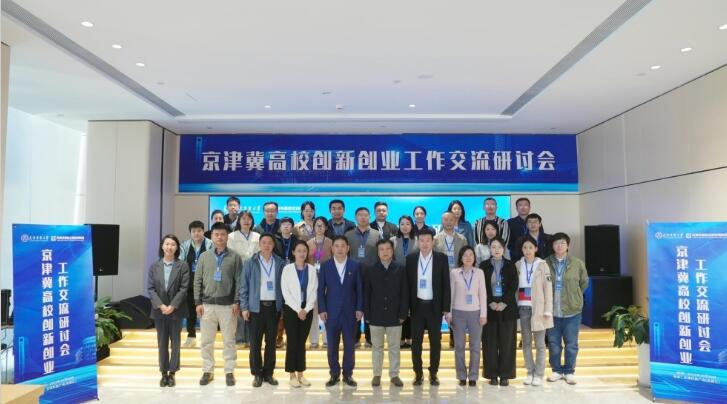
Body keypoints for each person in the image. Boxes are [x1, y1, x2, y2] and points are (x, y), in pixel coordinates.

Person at [194, 222, 242, 386]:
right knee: (206, 341)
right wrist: (197, 302)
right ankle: (208, 370)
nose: (220, 237)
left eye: (223, 234)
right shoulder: (204, 256)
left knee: (229, 340)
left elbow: (239, 282)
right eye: (216, 234)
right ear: (212, 237)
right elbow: (197, 280)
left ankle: (229, 371)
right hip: (207, 306)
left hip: (228, 306)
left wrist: (236, 301)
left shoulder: (235, 257)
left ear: (227, 236)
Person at [406, 228, 451, 386]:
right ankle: (418, 373)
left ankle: (433, 373)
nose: (425, 243)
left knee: (435, 343)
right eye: (422, 240)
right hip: (416, 306)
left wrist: (446, 308)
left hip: (434, 307)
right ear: (418, 242)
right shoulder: (411, 259)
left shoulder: (441, 258)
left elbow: (446, 285)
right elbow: (407, 285)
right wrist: (406, 307)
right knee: (416, 343)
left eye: (428, 240)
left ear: (433, 242)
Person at [240, 233, 285, 387]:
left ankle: (268, 373)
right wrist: (244, 307)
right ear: (259, 244)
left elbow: (284, 286)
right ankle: (257, 374)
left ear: (273, 245)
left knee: (271, 342)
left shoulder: (280, 263)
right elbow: (244, 286)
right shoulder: (250, 262)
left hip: (273, 308)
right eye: (264, 242)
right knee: (255, 343)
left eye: (269, 243)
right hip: (255, 308)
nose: (266, 245)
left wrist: (282, 308)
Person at [318, 236, 364, 387]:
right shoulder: (326, 266)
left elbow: (359, 289)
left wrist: (359, 308)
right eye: (336, 246)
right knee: (332, 346)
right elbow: (320, 290)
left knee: (349, 346)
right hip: (331, 313)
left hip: (351, 313)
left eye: (343, 246)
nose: (340, 249)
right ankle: (334, 374)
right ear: (332, 248)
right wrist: (322, 309)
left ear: (348, 248)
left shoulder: (355, 265)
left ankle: (348, 375)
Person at [546, 233, 589, 385]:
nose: (559, 246)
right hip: (552, 311)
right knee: (554, 343)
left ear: (568, 246)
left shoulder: (577, 263)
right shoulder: (545, 263)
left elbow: (584, 283)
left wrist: (575, 297)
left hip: (572, 311)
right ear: (552, 246)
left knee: (571, 344)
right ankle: (556, 370)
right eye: (556, 243)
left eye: (563, 243)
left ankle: (569, 371)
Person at [364, 239, 408, 388]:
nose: (385, 252)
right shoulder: (370, 269)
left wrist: (403, 314)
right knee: (377, 347)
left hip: (395, 315)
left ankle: (394, 375)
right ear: (377, 252)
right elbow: (367, 294)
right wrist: (367, 315)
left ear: (392, 251)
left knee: (394, 347)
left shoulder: (400, 269)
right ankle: (377, 374)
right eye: (381, 249)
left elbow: (405, 293)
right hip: (375, 315)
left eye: (388, 249)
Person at [147, 234, 190, 387]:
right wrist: (161, 305)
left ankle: (172, 373)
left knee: (175, 343)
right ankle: (163, 373)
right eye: (167, 244)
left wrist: (172, 306)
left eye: (173, 244)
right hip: (159, 311)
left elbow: (184, 288)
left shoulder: (182, 265)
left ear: (177, 248)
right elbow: (151, 289)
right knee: (162, 343)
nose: (169, 247)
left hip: (176, 310)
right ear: (162, 246)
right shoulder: (154, 266)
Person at [516, 236, 553, 387]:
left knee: (540, 344)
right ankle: (529, 372)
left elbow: (548, 289)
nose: (528, 250)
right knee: (526, 343)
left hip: (538, 308)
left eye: (530, 247)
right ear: (521, 249)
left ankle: (539, 374)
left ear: (536, 249)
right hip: (522, 308)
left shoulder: (543, 265)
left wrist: (548, 309)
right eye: (525, 247)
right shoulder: (518, 265)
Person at [447, 246, 487, 386]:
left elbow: (483, 294)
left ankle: (473, 376)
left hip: (475, 313)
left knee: (475, 346)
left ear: (474, 257)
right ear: (461, 258)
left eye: (471, 255)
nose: (468, 258)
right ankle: (461, 375)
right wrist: (449, 313)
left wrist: (483, 314)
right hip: (458, 313)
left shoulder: (479, 272)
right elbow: (451, 294)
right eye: (465, 255)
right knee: (459, 346)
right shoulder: (454, 273)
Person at [481, 237, 518, 386]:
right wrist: (490, 302)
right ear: (489, 249)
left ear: (504, 249)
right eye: (493, 247)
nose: (496, 250)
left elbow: (514, 285)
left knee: (507, 343)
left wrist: (504, 302)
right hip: (489, 308)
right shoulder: (483, 265)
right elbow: (481, 286)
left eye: (499, 247)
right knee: (489, 343)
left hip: (507, 308)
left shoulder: (510, 265)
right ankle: (492, 375)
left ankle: (505, 375)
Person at [281, 241, 318, 388]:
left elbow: (314, 291)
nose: (302, 253)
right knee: (292, 341)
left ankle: (301, 374)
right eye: (299, 251)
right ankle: (292, 374)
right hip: (291, 309)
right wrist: (298, 310)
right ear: (293, 252)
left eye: (304, 251)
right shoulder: (287, 269)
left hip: (307, 310)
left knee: (302, 342)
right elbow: (285, 291)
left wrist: (306, 309)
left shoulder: (312, 270)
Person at [345, 207, 378, 347]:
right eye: (360, 215)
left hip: (372, 275)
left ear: (369, 217)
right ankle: (355, 337)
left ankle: (370, 338)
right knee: (354, 305)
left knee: (370, 306)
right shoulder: (348, 234)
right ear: (356, 217)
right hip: (352, 275)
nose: (363, 218)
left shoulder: (376, 234)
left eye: (365, 215)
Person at [227, 210, 260, 348]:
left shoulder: (258, 236)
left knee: (252, 306)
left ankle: (251, 338)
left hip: (254, 274)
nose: (246, 221)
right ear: (239, 221)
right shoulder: (231, 236)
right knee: (239, 305)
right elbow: (230, 256)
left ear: (252, 221)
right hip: (238, 273)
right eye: (243, 218)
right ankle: (240, 338)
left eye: (249, 219)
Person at [178, 220, 213, 348]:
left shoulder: (210, 244)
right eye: (193, 231)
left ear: (203, 231)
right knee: (190, 311)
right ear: (190, 233)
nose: (196, 233)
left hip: (206, 284)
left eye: (199, 230)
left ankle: (207, 338)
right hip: (190, 283)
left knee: (207, 311)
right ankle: (191, 336)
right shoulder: (185, 245)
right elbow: (181, 263)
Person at [391, 215, 418, 349]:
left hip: (414, 278)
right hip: (397, 278)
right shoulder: (393, 240)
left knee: (412, 309)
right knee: (400, 308)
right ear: (399, 226)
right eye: (402, 224)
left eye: (408, 224)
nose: (405, 226)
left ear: (412, 226)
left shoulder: (418, 240)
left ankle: (410, 337)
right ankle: (401, 338)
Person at [306, 216, 332, 348]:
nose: (319, 228)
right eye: (317, 225)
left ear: (326, 227)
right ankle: (314, 340)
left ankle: (327, 339)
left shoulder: (331, 242)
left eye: (322, 225)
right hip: (312, 280)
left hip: (327, 280)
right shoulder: (308, 243)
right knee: (313, 310)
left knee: (327, 310)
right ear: (313, 227)